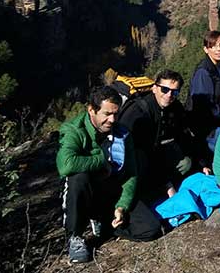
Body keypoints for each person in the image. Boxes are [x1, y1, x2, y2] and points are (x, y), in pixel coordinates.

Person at [57, 86, 161, 264]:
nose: (112, 120)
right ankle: (75, 235)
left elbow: (131, 173)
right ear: (92, 110)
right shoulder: (75, 130)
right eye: (106, 114)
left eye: (116, 114)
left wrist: (122, 206)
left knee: (150, 229)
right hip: (88, 189)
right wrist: (101, 160)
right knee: (77, 178)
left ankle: (105, 223)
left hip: (112, 190)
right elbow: (65, 165)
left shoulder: (122, 134)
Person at [119, 69, 195, 200]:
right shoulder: (138, 112)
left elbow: (184, 135)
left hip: (157, 151)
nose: (169, 95)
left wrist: (202, 163)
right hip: (133, 157)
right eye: (164, 90)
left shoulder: (174, 107)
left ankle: (157, 184)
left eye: (174, 91)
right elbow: (143, 151)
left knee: (186, 163)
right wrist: (167, 185)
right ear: (154, 88)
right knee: (141, 160)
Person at [187, 30, 220, 158]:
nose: (219, 49)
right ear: (206, 49)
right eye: (213, 46)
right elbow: (203, 106)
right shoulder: (203, 72)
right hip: (209, 127)